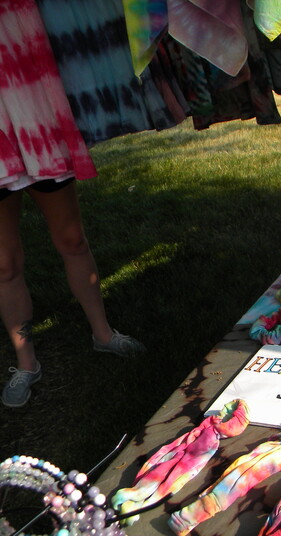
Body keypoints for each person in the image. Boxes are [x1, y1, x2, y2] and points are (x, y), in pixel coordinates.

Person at [0, 0, 145, 408]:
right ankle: (26, 362)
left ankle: (103, 333)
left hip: (37, 120)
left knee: (72, 239)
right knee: (4, 263)